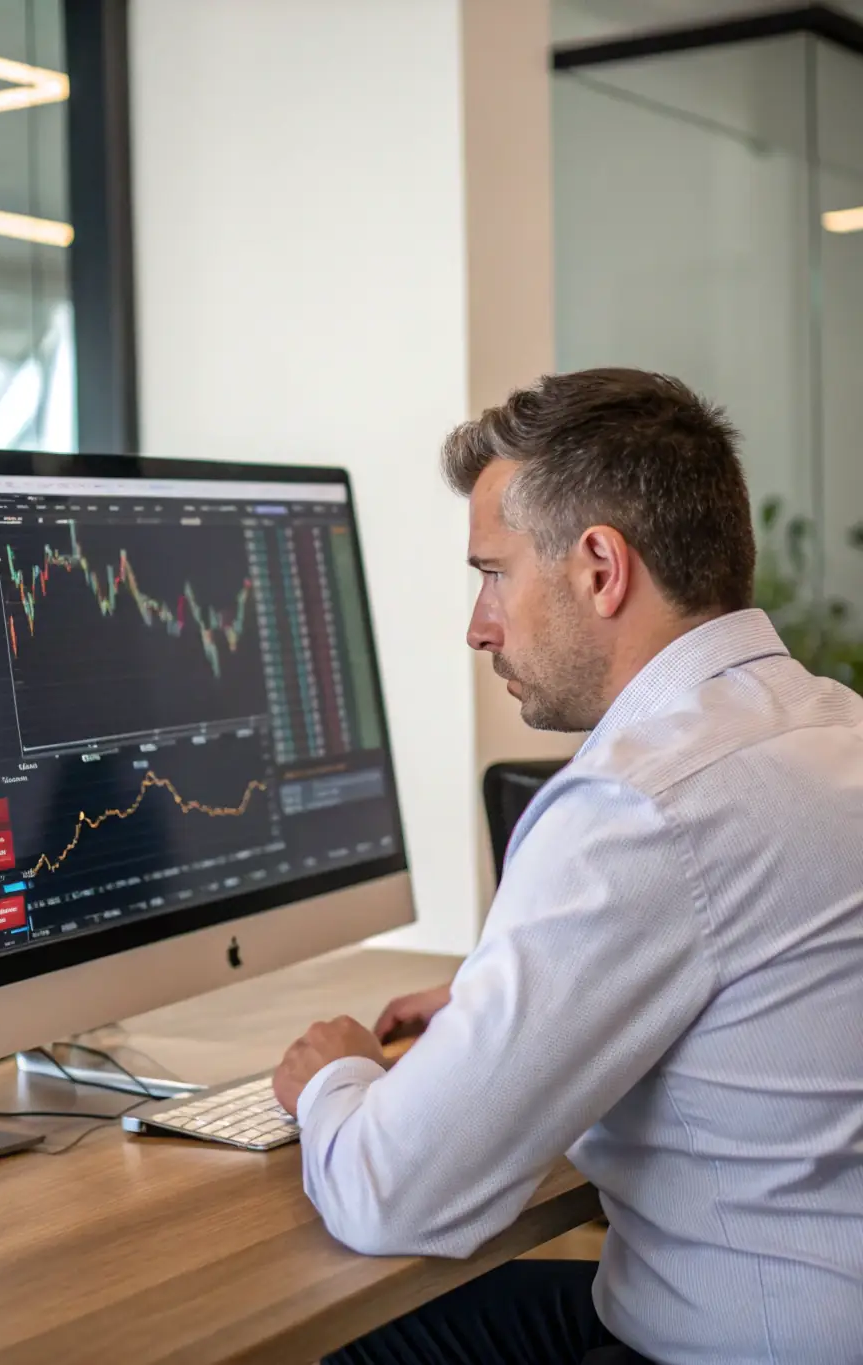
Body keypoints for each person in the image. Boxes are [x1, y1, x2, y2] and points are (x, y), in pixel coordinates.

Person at [272, 369, 863, 1365]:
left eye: (492, 572)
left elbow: (389, 1192)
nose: (478, 624)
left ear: (598, 567)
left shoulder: (640, 807)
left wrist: (333, 1071)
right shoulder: (827, 726)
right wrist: (500, 997)